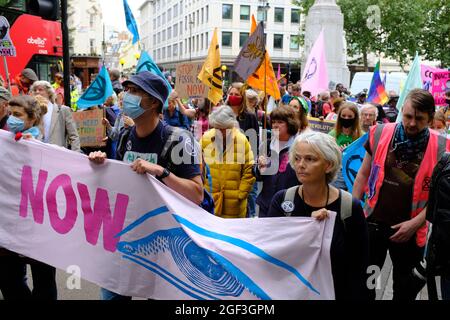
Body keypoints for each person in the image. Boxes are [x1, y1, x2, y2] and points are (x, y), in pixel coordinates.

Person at [88, 71, 203, 300]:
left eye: (134, 91)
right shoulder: (123, 137)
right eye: (127, 90)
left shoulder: (179, 140)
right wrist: (99, 165)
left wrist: (161, 172)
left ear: (153, 102)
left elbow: (197, 194)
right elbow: (117, 183)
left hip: (164, 243)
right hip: (126, 235)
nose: (126, 96)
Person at [352, 88, 450, 300]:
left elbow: (439, 201)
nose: (412, 123)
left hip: (410, 234)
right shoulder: (379, 133)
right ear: (401, 111)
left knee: (404, 291)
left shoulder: (443, 147)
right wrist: (354, 210)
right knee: (369, 285)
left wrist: (413, 224)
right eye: (408, 116)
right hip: (374, 227)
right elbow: (363, 174)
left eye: (420, 119)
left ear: (431, 118)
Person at [265, 131, 369, 300]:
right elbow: (271, 251)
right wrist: (307, 226)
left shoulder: (350, 207)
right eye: (297, 158)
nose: (301, 165)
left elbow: (359, 265)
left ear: (328, 165)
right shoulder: (282, 201)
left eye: (310, 159)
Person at [0, 95, 56, 300]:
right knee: (9, 280)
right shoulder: (5, 141)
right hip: (9, 224)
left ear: (32, 119)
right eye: (9, 114)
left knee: (44, 282)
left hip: (39, 224)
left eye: (17, 115)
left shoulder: (42, 147)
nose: (11, 119)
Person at [200, 106, 255, 218]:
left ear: (231, 125)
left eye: (222, 128)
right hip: (210, 199)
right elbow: (199, 167)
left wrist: (241, 194)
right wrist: (202, 189)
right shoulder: (206, 138)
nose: (219, 131)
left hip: (234, 205)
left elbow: (249, 170)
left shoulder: (242, 140)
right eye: (216, 128)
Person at [255, 105, 300, 217]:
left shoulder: (299, 146)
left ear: (290, 124)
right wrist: (259, 168)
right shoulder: (267, 144)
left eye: (280, 122)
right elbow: (258, 176)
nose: (275, 125)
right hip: (266, 205)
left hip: (288, 206)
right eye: (274, 121)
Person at [30, 80, 80, 152]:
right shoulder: (32, 111)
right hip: (38, 154)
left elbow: (74, 136)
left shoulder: (63, 110)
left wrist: (76, 156)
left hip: (57, 155)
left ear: (49, 93)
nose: (37, 92)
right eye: (35, 90)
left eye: (40, 89)